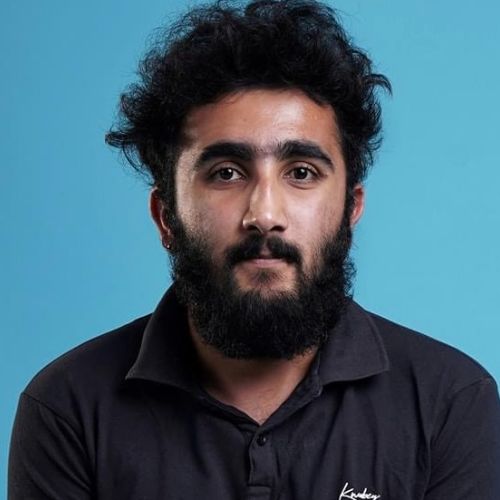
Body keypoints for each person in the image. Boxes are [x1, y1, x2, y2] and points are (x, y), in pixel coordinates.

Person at [8, 0, 500, 498]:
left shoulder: (449, 402)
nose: (264, 214)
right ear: (166, 216)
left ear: (350, 209)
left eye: (301, 173)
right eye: (226, 173)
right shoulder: (69, 410)